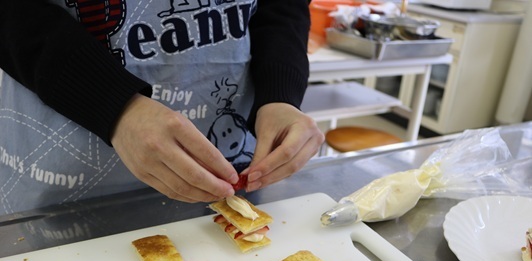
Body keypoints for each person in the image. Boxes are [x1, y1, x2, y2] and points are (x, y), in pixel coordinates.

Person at [0, 0, 324, 215]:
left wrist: (280, 94)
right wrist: (114, 106)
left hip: (232, 171)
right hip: (68, 182)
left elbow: (282, 6)